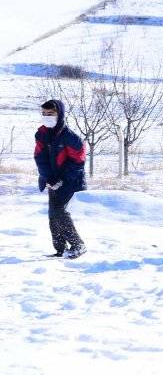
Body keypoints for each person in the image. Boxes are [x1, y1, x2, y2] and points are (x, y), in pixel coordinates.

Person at [35, 99, 88, 258]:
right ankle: (60, 249)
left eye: (50, 114)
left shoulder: (70, 137)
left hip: (70, 180)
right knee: (52, 214)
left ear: (60, 114)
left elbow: (78, 161)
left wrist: (61, 180)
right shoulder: (42, 134)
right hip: (52, 180)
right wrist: (49, 178)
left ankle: (78, 245)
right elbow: (39, 157)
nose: (46, 117)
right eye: (44, 114)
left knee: (58, 210)